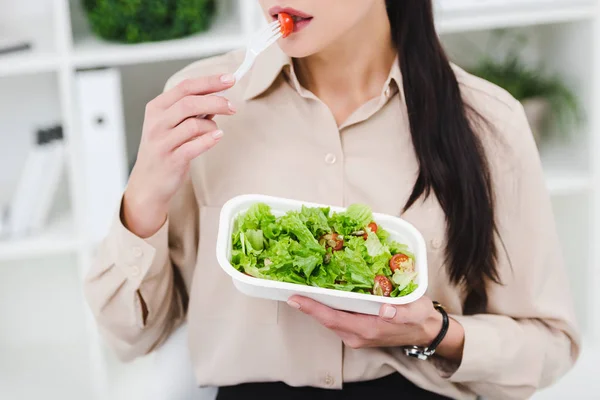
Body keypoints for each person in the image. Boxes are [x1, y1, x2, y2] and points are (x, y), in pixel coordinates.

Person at [83, 1, 581, 399]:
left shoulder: (489, 122)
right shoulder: (203, 111)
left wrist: (433, 331)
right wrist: (143, 196)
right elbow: (132, 338)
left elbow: (550, 345)